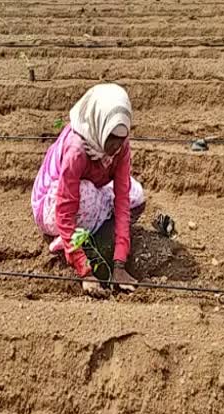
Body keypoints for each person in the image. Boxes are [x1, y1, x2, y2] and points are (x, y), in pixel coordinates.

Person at [31, 84, 146, 297]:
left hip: (92, 188)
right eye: (111, 138)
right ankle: (67, 244)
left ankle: (96, 236)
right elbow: (65, 211)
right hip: (51, 205)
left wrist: (120, 264)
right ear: (99, 124)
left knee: (135, 195)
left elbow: (122, 197)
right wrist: (84, 270)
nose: (115, 146)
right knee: (87, 195)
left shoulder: (121, 146)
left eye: (121, 139)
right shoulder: (77, 149)